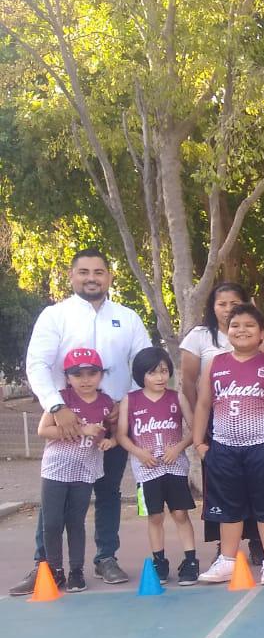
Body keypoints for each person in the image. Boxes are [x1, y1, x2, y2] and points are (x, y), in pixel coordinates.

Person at [18, 247, 151, 593]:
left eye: (98, 272)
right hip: (67, 425)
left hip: (112, 422)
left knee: (108, 493)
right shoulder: (55, 316)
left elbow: (144, 365)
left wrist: (126, 405)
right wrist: (56, 406)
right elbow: (37, 364)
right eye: (84, 272)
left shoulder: (128, 318)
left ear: (109, 277)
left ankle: (106, 558)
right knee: (55, 499)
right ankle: (46, 565)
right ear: (72, 276)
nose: (92, 278)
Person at [192, 304, 264, 585]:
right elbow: (203, 404)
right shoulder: (215, 364)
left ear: (262, 333)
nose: (242, 330)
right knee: (228, 506)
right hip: (224, 447)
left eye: (250, 325)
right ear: (227, 331)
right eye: (235, 325)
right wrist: (199, 442)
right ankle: (227, 560)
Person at [180, 281, 264, 565]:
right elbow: (189, 383)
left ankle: (259, 543)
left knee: (258, 485)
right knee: (224, 488)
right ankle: (225, 549)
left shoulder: (253, 333)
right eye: (221, 304)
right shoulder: (200, 336)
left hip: (256, 418)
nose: (227, 309)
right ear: (212, 307)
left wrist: (258, 319)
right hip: (217, 419)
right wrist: (199, 426)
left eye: (234, 303)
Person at [29, 349, 117, 593]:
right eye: (78, 375)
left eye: (92, 373)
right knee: (52, 522)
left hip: (84, 471)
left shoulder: (106, 403)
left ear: (101, 375)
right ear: (67, 377)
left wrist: (109, 441)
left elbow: (113, 431)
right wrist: (82, 430)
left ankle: (76, 571)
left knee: (76, 522)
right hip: (55, 469)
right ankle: (54, 569)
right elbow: (43, 430)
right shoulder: (61, 400)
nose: (85, 380)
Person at [116, 347, 199, 585]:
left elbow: (195, 429)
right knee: (154, 516)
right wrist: (139, 452)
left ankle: (190, 561)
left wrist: (179, 447)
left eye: (164, 371)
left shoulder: (177, 397)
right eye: (152, 373)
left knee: (180, 513)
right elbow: (121, 435)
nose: (160, 377)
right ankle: (159, 561)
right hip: (146, 470)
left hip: (175, 466)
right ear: (141, 375)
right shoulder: (130, 400)